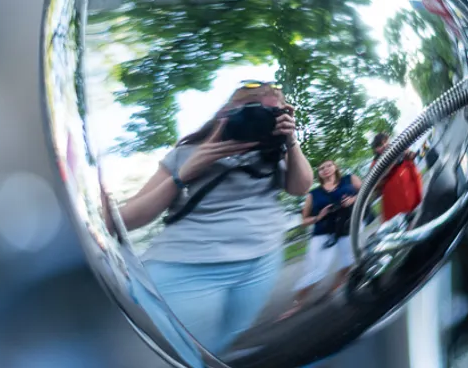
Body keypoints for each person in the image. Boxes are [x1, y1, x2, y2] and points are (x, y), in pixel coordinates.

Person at [102, 82, 313, 354]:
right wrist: (185, 173)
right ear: (225, 112)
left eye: (270, 113)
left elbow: (300, 187)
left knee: (218, 346)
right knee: (166, 354)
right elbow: (126, 219)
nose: (256, 119)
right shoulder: (185, 154)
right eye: (250, 109)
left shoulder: (274, 154)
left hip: (262, 262)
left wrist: (290, 141)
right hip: (186, 267)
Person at [278, 160, 362, 320]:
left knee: (349, 261)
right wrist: (318, 216)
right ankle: (297, 304)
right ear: (318, 173)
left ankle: (334, 290)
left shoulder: (349, 179)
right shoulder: (313, 194)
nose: (325, 169)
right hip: (323, 233)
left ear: (336, 167)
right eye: (321, 168)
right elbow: (304, 221)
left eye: (328, 165)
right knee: (315, 270)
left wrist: (353, 200)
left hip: (346, 228)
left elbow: (366, 191)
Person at [371, 132, 423, 222]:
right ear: (375, 149)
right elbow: (375, 184)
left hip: (413, 194)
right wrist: (393, 162)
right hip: (395, 204)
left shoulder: (400, 149)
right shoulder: (375, 164)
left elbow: (412, 161)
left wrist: (409, 155)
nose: (384, 146)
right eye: (380, 145)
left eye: (385, 142)